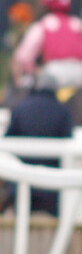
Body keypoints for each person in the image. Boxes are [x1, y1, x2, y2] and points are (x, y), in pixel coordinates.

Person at [1, 69, 73, 216]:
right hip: (52, 185)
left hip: (20, 181)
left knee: (20, 219)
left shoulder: (20, 108)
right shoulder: (63, 111)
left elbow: (9, 139)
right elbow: (68, 141)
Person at [11, 0, 82, 92]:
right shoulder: (78, 24)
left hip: (53, 76)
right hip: (80, 76)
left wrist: (31, 72)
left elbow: (24, 57)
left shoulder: (43, 25)